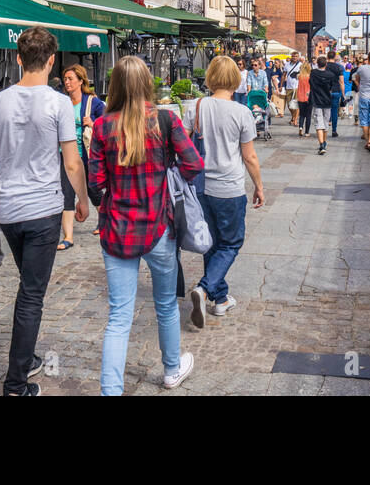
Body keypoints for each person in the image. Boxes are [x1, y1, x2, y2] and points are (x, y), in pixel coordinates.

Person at [0, 26, 87, 396]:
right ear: (51, 61)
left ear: (19, 58)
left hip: (9, 211)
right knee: (32, 294)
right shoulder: (58, 104)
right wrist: (83, 199)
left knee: (28, 287)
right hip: (43, 211)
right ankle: (15, 384)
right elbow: (71, 162)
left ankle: (27, 358)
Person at [88, 56, 203, 395]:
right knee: (165, 304)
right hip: (158, 228)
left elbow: (96, 183)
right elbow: (194, 164)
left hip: (117, 230)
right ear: (147, 84)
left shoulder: (102, 126)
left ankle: (111, 390)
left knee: (119, 316)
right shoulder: (166, 120)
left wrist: (105, 205)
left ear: (115, 86)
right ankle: (171, 370)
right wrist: (170, 175)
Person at [188, 57, 264, 328]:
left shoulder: (195, 107)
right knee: (231, 243)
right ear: (235, 79)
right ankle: (205, 288)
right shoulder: (241, 112)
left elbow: (185, 148)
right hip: (229, 187)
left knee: (211, 242)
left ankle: (219, 300)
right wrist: (258, 185)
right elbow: (250, 156)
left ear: (210, 77)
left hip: (201, 187)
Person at [58, 64, 105, 251]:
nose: (67, 82)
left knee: (93, 189)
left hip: (87, 154)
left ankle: (103, 221)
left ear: (80, 81)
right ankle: (68, 236)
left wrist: (93, 123)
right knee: (66, 192)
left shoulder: (92, 102)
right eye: (65, 79)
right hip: (66, 156)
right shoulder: (62, 102)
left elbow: (108, 123)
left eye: (70, 78)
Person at [309, 55, 337, 155]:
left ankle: (321, 145)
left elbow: (310, 84)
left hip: (317, 101)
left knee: (318, 124)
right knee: (325, 124)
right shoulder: (330, 75)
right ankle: (324, 142)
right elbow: (331, 87)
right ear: (326, 64)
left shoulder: (313, 73)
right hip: (327, 101)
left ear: (317, 64)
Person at [325, 51, 346, 138]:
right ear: (335, 57)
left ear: (327, 56)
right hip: (336, 91)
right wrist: (343, 95)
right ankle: (334, 130)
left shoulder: (324, 66)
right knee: (334, 111)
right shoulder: (339, 67)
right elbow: (341, 82)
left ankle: (324, 129)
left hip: (325, 91)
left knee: (325, 111)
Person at [297, 64, 313, 137]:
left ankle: (300, 127)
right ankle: (307, 132)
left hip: (300, 97)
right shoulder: (310, 77)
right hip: (308, 97)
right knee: (308, 115)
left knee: (302, 114)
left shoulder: (299, 76)